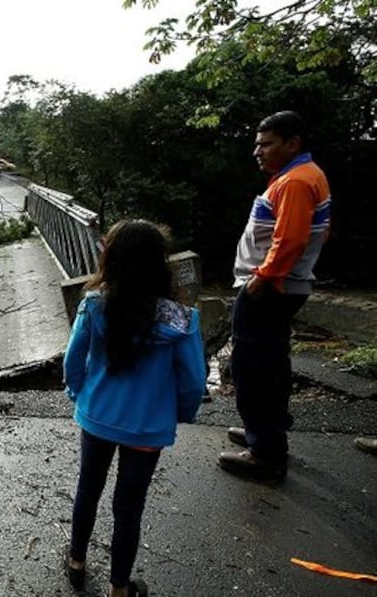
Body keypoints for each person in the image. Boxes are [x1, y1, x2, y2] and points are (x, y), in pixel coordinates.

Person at [63, 220, 206, 597]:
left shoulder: (94, 305)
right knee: (128, 507)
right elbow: (194, 381)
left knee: (88, 488)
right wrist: (179, 413)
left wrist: (78, 394)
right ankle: (119, 588)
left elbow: (73, 360)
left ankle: (76, 563)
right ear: (160, 264)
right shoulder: (182, 319)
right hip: (146, 428)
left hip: (97, 416)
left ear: (110, 259)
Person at [219, 111, 332, 481]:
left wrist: (264, 278)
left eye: (266, 144)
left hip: (270, 288)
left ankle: (265, 452)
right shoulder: (302, 175)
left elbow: (291, 239)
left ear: (293, 143)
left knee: (252, 367)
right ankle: (267, 430)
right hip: (284, 286)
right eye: (257, 144)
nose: (257, 151)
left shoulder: (296, 181)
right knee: (271, 361)